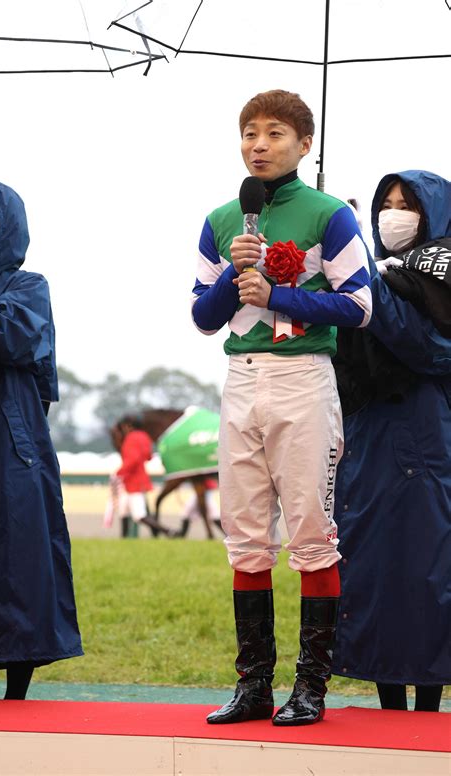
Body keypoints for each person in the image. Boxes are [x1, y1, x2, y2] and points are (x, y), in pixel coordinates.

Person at [191, 90, 372, 726]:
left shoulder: (329, 216)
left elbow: (359, 306)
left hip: (304, 380)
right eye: (249, 133)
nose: (258, 145)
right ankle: (253, 686)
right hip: (240, 378)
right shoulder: (221, 219)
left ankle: (311, 688)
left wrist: (278, 294)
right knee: (244, 535)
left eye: (273, 133)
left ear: (304, 143)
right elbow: (203, 319)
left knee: (311, 534)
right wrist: (227, 280)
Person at [332, 170, 451, 712]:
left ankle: (427, 706)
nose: (394, 214)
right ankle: (388, 707)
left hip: (424, 438)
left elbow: (431, 349)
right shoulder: (371, 274)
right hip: (365, 436)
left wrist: (371, 289)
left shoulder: (440, 274)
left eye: (409, 205)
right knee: (373, 567)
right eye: (387, 203)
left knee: (427, 570)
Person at [0, 178, 83, 700]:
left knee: (18, 558)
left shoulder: (28, 286)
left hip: (11, 441)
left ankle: (17, 691)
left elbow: (10, 339)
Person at [112, 415, 173, 538]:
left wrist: (119, 472)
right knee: (124, 511)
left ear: (128, 426)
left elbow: (132, 460)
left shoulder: (131, 438)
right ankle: (123, 540)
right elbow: (148, 456)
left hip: (132, 479)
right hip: (140, 477)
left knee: (139, 515)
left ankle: (168, 531)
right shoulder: (145, 437)